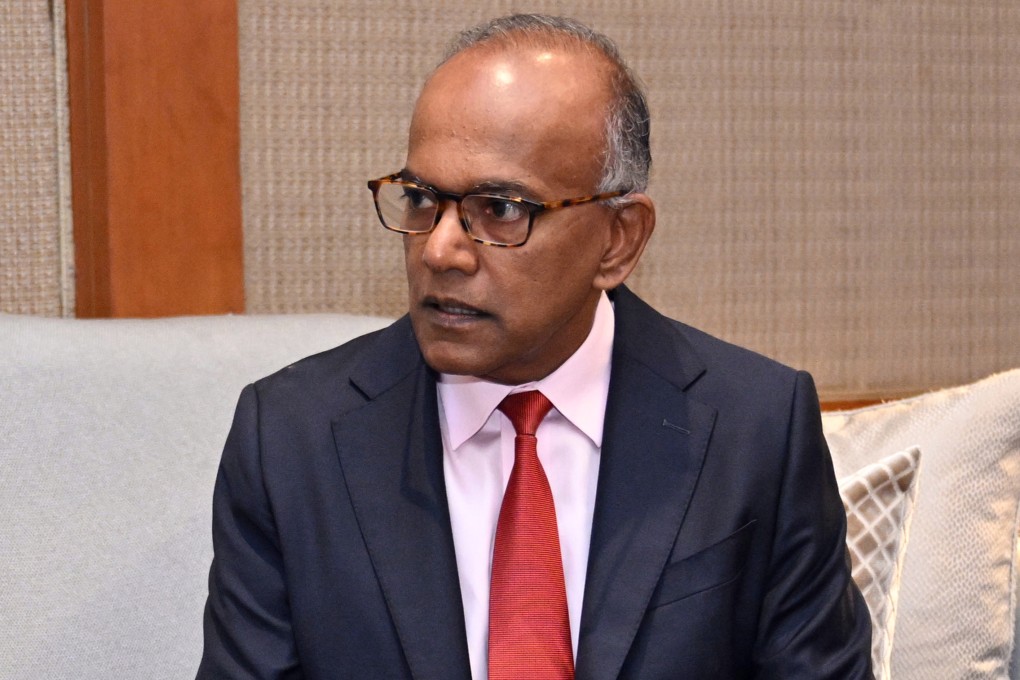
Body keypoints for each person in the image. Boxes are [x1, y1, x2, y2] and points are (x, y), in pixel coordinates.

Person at [197, 13, 873, 679]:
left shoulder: (756, 427)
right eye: (421, 199)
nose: (439, 249)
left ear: (618, 240)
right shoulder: (291, 439)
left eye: (502, 209)